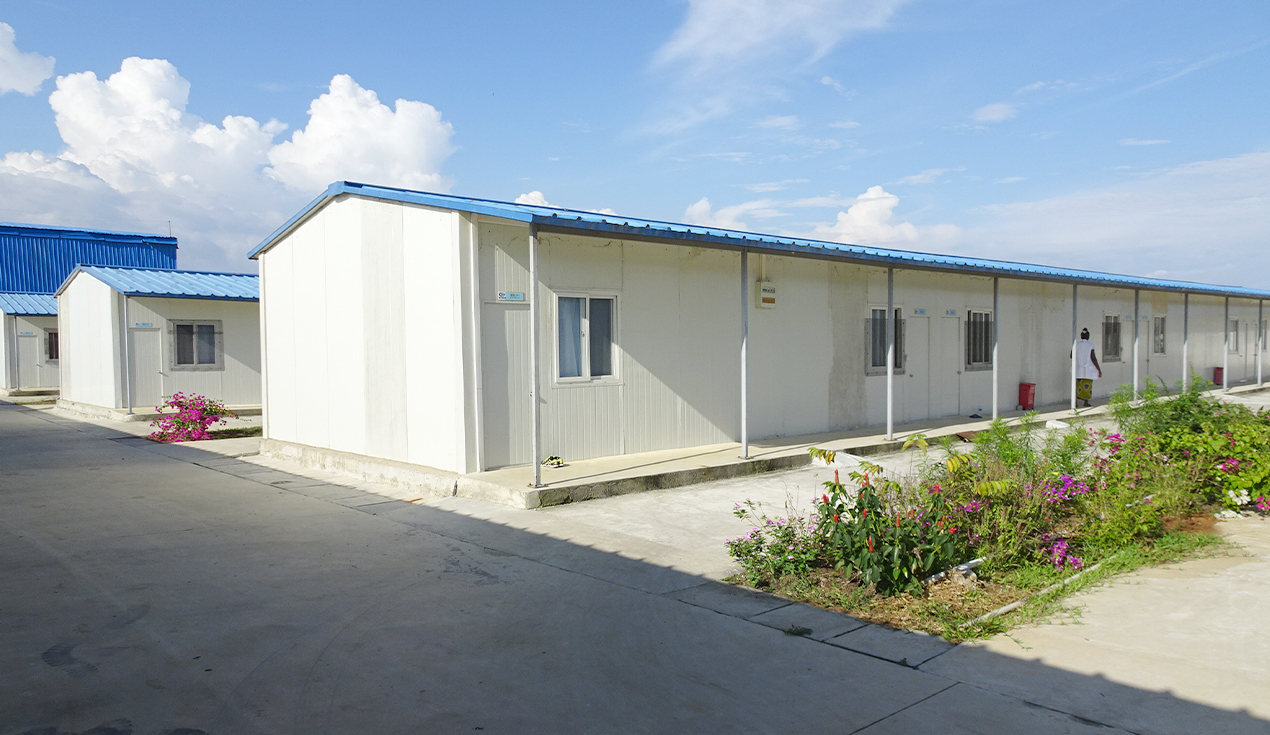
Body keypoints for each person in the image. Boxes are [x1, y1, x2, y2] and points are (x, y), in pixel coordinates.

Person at [1072, 328, 1102, 408]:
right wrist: (1099, 370)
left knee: (1077, 386)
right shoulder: (1090, 346)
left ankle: (1075, 402)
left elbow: (1071, 355)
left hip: (1078, 369)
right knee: (1087, 385)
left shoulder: (1076, 345)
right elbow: (1093, 358)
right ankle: (1086, 402)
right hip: (1088, 370)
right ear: (1088, 336)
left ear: (1081, 336)